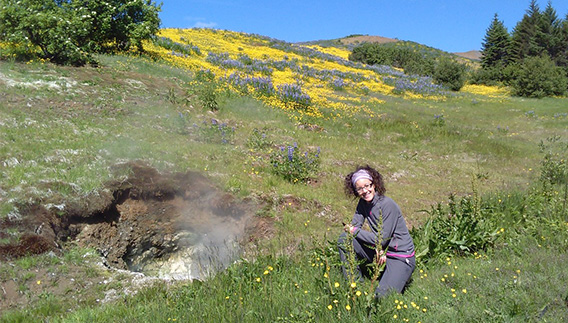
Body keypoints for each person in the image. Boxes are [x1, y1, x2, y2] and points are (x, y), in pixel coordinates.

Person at [338, 165, 415, 298]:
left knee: (381, 298)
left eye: (368, 185)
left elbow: (381, 239)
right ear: (356, 191)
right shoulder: (363, 204)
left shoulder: (387, 205)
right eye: (360, 188)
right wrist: (352, 230)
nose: (365, 191)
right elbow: (354, 227)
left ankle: (400, 274)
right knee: (344, 239)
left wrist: (354, 230)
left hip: (400, 256)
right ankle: (355, 285)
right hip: (380, 251)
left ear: (374, 185)